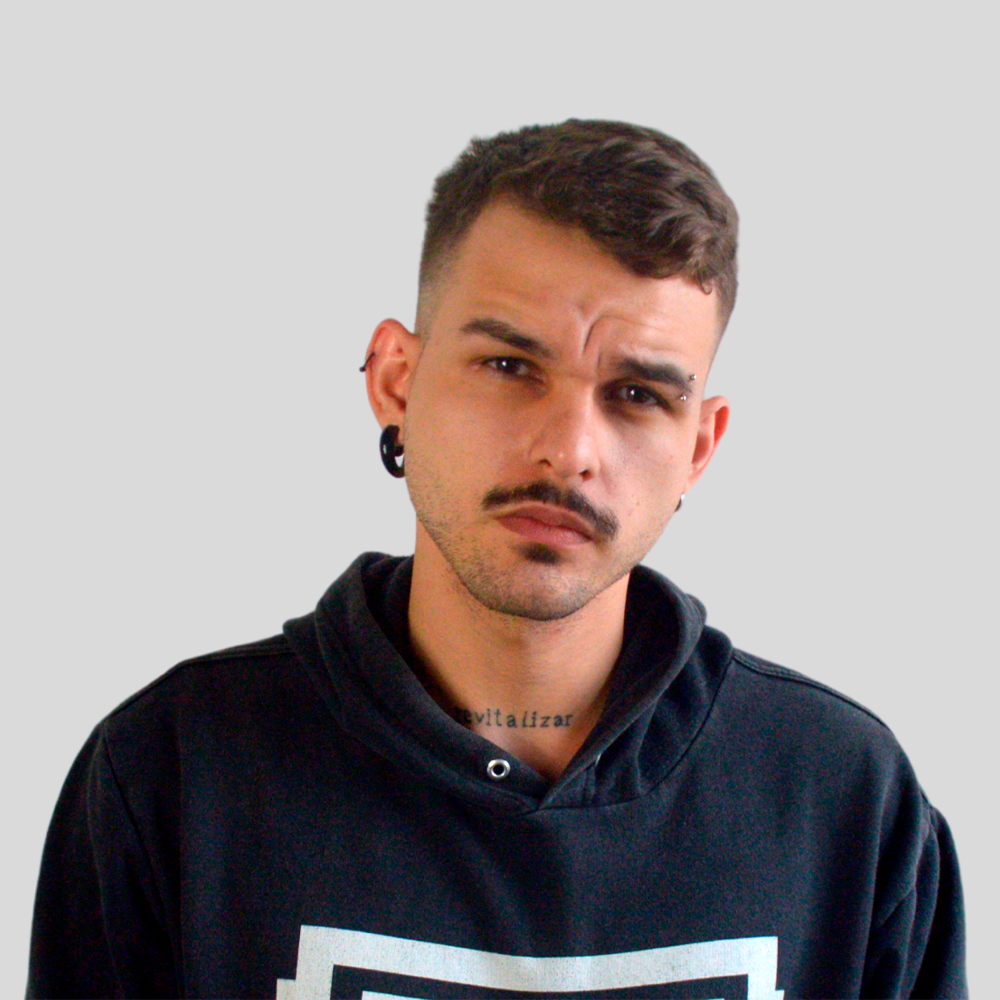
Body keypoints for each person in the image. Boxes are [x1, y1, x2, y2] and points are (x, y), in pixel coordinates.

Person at [27, 120, 966, 1000]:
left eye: (638, 394)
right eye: (511, 367)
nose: (568, 450)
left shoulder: (843, 801)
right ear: (396, 381)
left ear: (700, 447)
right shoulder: (174, 775)